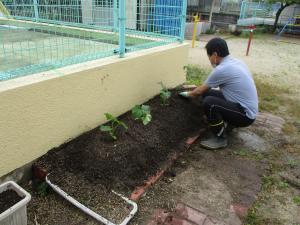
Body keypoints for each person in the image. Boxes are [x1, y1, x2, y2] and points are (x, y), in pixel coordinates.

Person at [180, 37, 258, 150]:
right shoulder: (237, 62)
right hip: (246, 108)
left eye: (209, 56)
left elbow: (199, 91)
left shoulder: (222, 69)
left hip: (245, 115)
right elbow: (207, 90)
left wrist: (187, 94)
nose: (209, 59)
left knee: (210, 103)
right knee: (209, 94)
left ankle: (219, 138)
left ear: (215, 54)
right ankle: (229, 123)